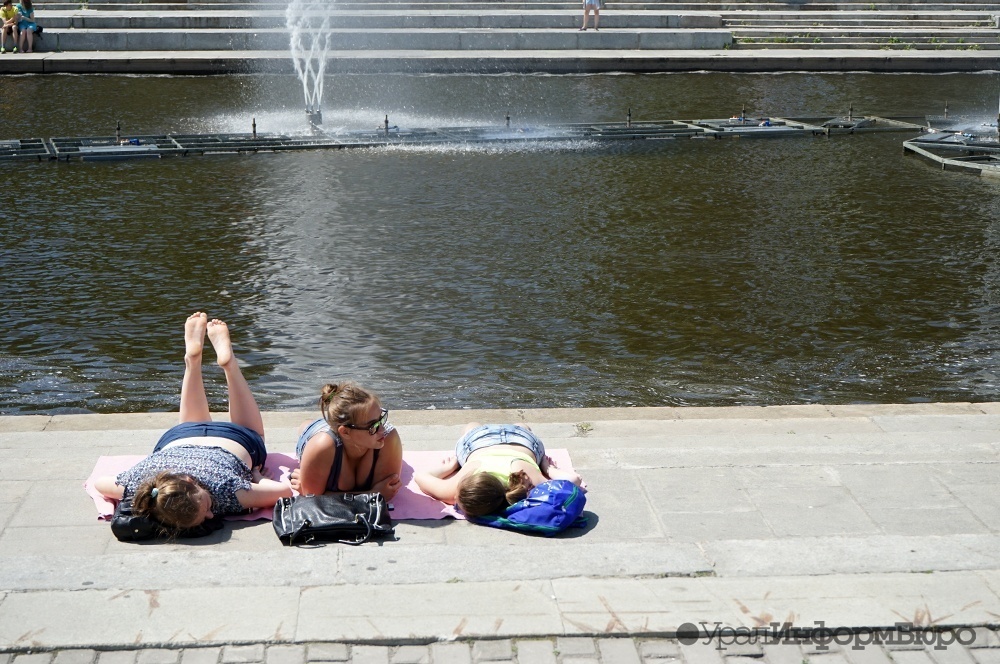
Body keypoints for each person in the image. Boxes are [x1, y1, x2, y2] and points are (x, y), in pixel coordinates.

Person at [94, 312, 292, 531]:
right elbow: (100, 483)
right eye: (209, 510)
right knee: (190, 423)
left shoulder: (228, 493)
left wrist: (256, 477)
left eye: (205, 505)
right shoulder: (143, 485)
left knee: (253, 433)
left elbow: (282, 492)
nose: (210, 514)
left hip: (235, 438)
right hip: (181, 436)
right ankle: (193, 361)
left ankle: (230, 366)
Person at [414, 423, 585, 518]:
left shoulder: (524, 483)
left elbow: (573, 480)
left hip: (523, 441)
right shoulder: (457, 487)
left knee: (522, 426)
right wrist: (550, 467)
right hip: (478, 442)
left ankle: (521, 426)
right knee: (470, 427)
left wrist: (547, 469)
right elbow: (421, 476)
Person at [290, 382, 403, 500]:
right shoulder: (321, 446)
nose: (382, 429)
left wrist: (326, 493)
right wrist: (370, 494)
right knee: (307, 425)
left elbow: (388, 493)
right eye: (373, 426)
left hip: (343, 429)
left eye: (382, 419)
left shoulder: (388, 436)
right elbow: (313, 500)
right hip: (316, 433)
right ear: (345, 432)